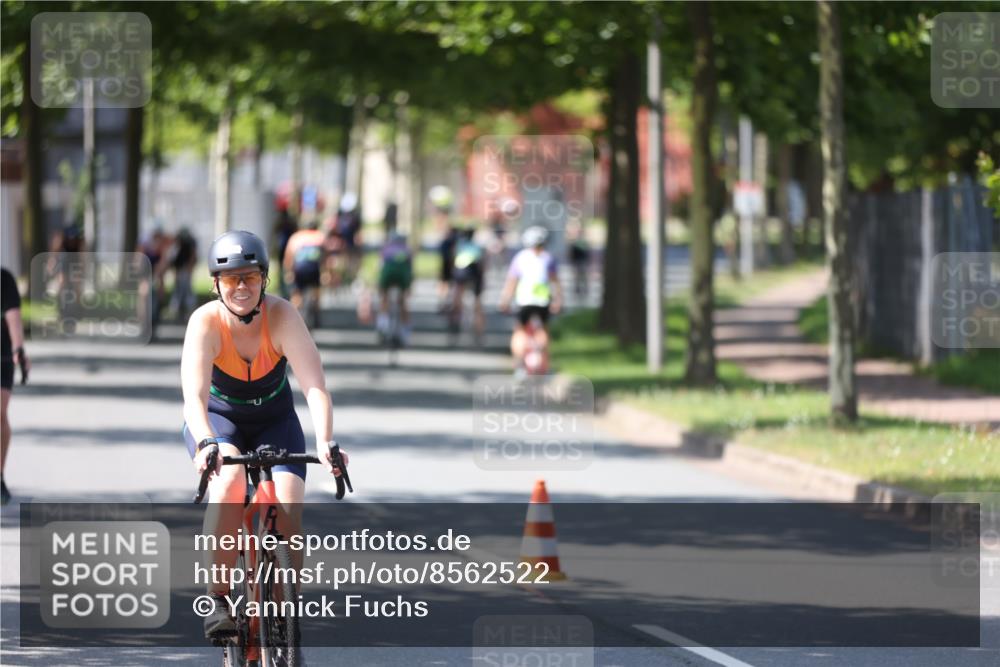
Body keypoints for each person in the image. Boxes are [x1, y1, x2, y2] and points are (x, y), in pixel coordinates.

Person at [180, 230, 348, 637]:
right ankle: (219, 599)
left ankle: (283, 607)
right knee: (231, 484)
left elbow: (314, 387)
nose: (241, 287)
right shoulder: (205, 322)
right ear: (216, 284)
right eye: (231, 278)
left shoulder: (283, 316)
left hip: (276, 420)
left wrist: (326, 441)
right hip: (219, 422)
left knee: (290, 505)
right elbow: (194, 399)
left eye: (250, 277)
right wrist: (206, 443)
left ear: (264, 280)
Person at [498, 226, 563, 375]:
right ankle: (542, 360)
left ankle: (519, 365)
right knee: (543, 330)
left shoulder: (520, 258)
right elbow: (555, 282)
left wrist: (505, 300)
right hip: (542, 300)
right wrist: (559, 300)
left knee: (520, 331)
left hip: (524, 300)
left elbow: (511, 282)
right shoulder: (548, 258)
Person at [1, 268, 28, 505]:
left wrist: (18, 348)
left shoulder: (4, 280)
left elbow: (14, 319)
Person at [283, 220, 329, 328]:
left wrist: (288, 272)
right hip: (314, 269)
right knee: (316, 292)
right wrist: (326, 272)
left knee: (297, 294)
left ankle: (292, 318)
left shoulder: (296, 237)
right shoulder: (320, 236)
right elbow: (325, 257)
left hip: (299, 269)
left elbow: (289, 255)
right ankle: (316, 316)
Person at [449, 226, 486, 344]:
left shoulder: (459, 245)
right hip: (474, 274)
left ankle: (455, 318)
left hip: (461, 274)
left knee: (457, 296)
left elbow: (452, 260)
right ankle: (479, 330)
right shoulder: (477, 247)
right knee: (477, 303)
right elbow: (482, 265)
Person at [376, 231, 413, 345]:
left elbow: (380, 266)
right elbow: (411, 268)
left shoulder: (386, 248)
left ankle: (382, 325)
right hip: (403, 276)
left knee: (384, 297)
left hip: (388, 274)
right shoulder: (407, 249)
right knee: (403, 302)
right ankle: (405, 332)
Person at [168, 227, 198, 322]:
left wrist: (189, 269)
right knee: (179, 290)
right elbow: (174, 261)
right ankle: (177, 311)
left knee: (186, 290)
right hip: (180, 269)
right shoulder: (177, 246)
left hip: (185, 270)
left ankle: (188, 311)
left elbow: (192, 257)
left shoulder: (189, 245)